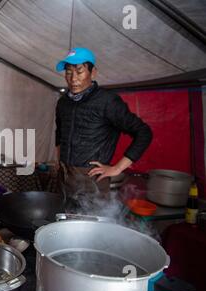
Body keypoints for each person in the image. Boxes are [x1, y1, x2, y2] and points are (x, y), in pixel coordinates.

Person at [54, 48, 152, 207]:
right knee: (63, 223)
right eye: (68, 72)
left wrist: (117, 168)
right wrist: (59, 161)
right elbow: (60, 132)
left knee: (90, 229)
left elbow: (144, 133)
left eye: (79, 71)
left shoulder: (108, 101)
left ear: (93, 73)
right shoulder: (63, 102)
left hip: (92, 183)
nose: (73, 79)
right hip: (64, 179)